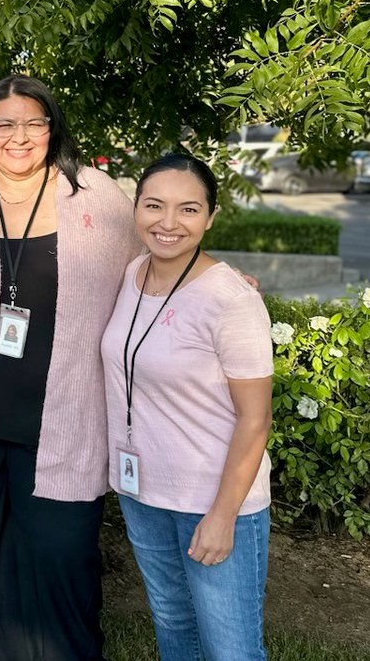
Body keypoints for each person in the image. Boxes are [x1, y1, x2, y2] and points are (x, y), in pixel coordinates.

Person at [0, 74, 138, 661]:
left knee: (65, 560)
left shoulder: (96, 197)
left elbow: (154, 263)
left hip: (66, 416)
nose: (19, 136)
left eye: (33, 123)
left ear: (52, 128)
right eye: (5, 124)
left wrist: (211, 279)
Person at [102, 154, 272, 661]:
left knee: (231, 648)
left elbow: (255, 418)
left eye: (189, 209)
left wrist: (223, 514)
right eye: (154, 205)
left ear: (211, 217)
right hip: (143, 490)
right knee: (173, 624)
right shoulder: (133, 272)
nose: (169, 222)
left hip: (213, 498)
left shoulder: (231, 299)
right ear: (136, 208)